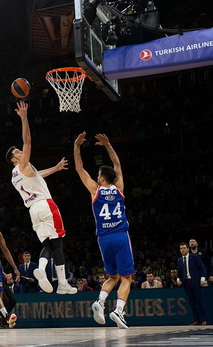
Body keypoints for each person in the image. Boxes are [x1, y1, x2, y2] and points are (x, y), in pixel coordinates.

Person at [7, 101, 76, 295]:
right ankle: (62, 283)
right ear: (14, 160)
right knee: (59, 243)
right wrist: (23, 118)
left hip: (33, 212)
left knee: (48, 244)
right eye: (17, 153)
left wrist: (55, 168)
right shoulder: (23, 164)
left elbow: (37, 175)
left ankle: (42, 270)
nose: (21, 152)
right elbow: (27, 141)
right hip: (46, 205)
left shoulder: (15, 175)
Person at [74, 132, 133, 329]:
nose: (97, 176)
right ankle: (118, 310)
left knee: (112, 277)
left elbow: (79, 168)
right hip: (121, 235)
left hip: (103, 239)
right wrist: (108, 146)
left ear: (101, 178)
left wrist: (76, 147)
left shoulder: (94, 190)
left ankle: (100, 301)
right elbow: (117, 165)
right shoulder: (119, 188)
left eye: (98, 174)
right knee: (127, 278)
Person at [177, 242, 208, 325]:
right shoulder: (179, 260)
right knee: (192, 302)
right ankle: (196, 319)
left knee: (199, 301)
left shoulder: (194, 257)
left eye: (184, 248)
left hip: (195, 282)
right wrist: (178, 279)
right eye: (181, 248)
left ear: (187, 249)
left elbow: (203, 268)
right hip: (186, 283)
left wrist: (202, 278)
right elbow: (179, 272)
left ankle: (204, 319)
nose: (182, 250)